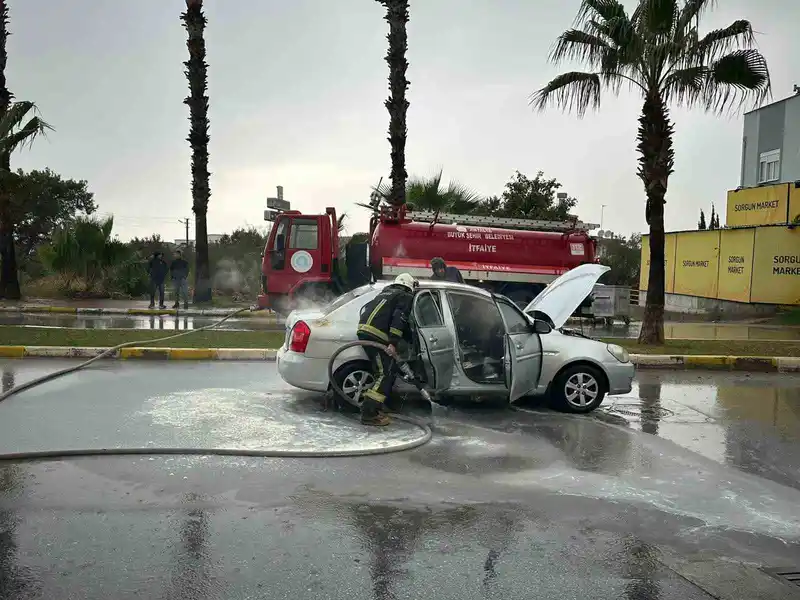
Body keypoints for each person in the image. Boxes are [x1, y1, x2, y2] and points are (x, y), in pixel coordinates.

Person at [356, 272, 417, 426]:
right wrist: (393, 343)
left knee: (382, 370)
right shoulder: (405, 296)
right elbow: (399, 318)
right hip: (377, 335)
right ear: (409, 286)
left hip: (364, 330)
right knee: (386, 373)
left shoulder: (385, 293)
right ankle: (369, 414)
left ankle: (375, 408)